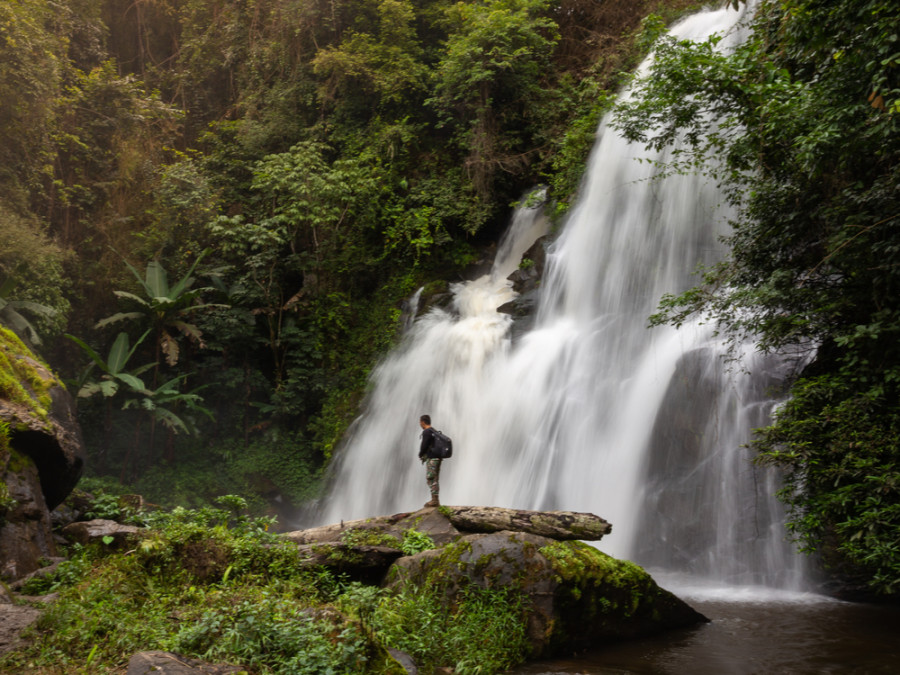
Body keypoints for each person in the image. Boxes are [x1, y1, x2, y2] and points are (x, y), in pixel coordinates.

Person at [418, 414, 442, 508]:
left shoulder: (427, 431)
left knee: (431, 478)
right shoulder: (434, 430)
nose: (420, 424)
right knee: (435, 478)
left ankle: (434, 500)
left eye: (420, 422)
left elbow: (424, 445)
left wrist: (420, 454)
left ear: (423, 422)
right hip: (438, 457)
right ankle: (435, 499)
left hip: (432, 458)